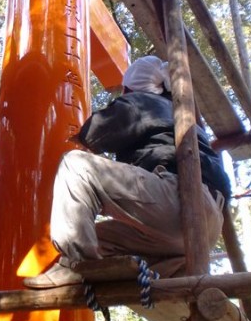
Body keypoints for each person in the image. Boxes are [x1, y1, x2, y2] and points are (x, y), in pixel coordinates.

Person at [23, 56, 231, 288]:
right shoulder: (183, 117)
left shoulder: (141, 101)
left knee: (76, 164)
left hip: (180, 202)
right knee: (98, 241)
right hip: (205, 229)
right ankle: (160, 275)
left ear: (128, 88)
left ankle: (77, 264)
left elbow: (94, 132)